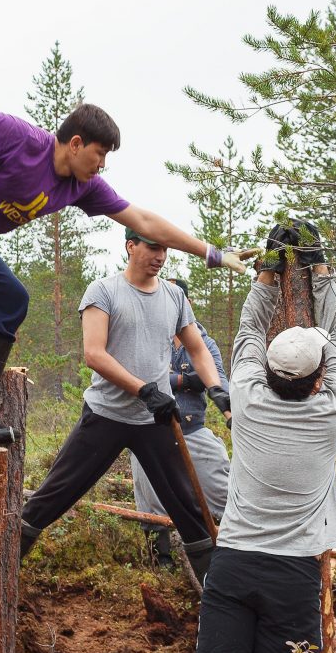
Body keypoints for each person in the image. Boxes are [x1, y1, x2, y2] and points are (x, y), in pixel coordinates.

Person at [0, 98, 251, 472]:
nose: (102, 165)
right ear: (75, 143)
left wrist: (211, 253)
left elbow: (144, 221)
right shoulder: (22, 141)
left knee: (10, 303)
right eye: (99, 153)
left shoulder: (82, 187)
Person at [187, 223, 336, 653]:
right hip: (294, 574)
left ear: (268, 372)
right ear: (320, 376)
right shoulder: (333, 408)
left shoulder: (247, 398)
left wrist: (266, 271)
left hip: (234, 562)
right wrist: (318, 267)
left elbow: (248, 332)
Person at [20, 228, 232, 579]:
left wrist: (216, 389)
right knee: (55, 494)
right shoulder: (103, 291)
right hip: (107, 416)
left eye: (164, 248)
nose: (160, 255)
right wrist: (145, 390)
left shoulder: (174, 296)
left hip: (154, 423)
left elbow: (196, 348)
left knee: (189, 510)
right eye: (152, 247)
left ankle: (216, 595)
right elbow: (94, 353)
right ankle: (4, 562)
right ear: (130, 246)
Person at [132, 277, 230, 569]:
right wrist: (186, 380)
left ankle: (234, 553)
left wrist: (177, 380)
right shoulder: (144, 337)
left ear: (186, 304)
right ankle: (161, 561)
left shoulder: (203, 341)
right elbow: (141, 380)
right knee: (149, 496)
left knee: (223, 490)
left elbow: (216, 381)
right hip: (150, 432)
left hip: (193, 429)